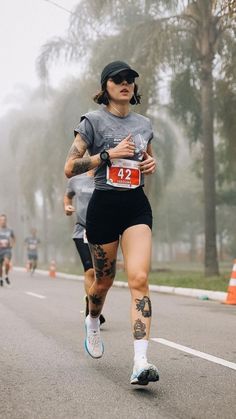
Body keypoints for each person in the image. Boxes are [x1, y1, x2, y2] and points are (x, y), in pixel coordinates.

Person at [64, 60, 159, 386]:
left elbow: (145, 157)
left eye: (130, 79)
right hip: (103, 206)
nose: (125, 84)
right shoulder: (91, 121)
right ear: (105, 86)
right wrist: (108, 154)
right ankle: (92, 319)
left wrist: (149, 163)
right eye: (117, 79)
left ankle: (140, 362)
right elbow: (70, 167)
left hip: (135, 205)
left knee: (140, 278)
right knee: (103, 281)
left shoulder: (145, 123)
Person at [63, 170, 105, 325]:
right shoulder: (75, 180)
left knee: (101, 275)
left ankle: (93, 301)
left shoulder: (107, 177)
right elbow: (68, 196)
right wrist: (67, 206)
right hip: (82, 231)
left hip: (103, 231)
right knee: (90, 270)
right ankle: (91, 308)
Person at [0, 214, 15, 286]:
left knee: (6, 262)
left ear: (6, 221)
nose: (3, 221)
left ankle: (6, 275)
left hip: (7, 250)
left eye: (4, 220)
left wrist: (12, 244)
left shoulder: (10, 230)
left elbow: (13, 238)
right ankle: (0, 279)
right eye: (2, 220)